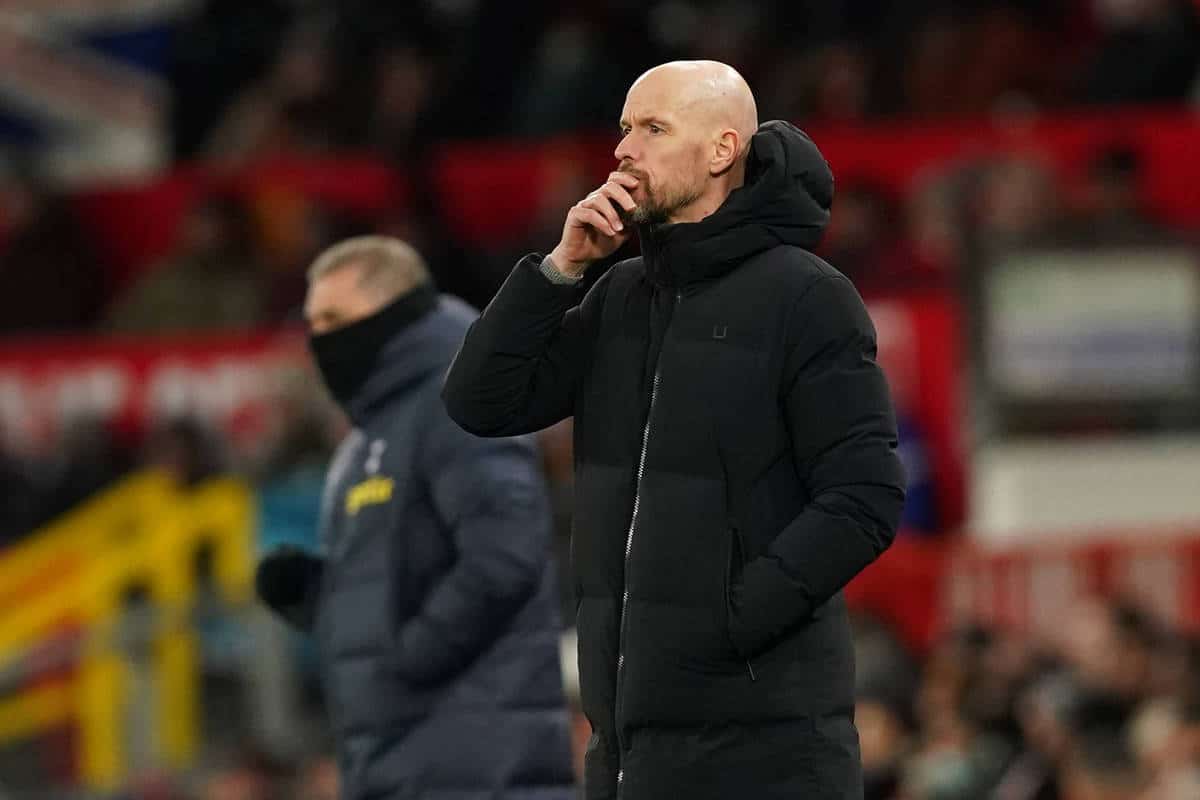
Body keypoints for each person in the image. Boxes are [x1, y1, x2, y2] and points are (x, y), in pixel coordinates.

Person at [443, 60, 906, 798]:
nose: (623, 149)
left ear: (722, 150)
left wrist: (727, 624)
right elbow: (480, 402)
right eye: (625, 128)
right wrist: (560, 269)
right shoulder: (620, 296)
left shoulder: (807, 296)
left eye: (654, 129)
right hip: (627, 749)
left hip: (765, 750)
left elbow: (865, 498)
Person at [255, 236, 575, 799]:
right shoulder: (367, 437)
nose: (320, 340)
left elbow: (505, 557)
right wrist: (322, 597)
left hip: (475, 763)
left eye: (335, 319)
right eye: (313, 323)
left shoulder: (459, 404)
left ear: (394, 312)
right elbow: (404, 584)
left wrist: (410, 657)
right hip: (404, 760)